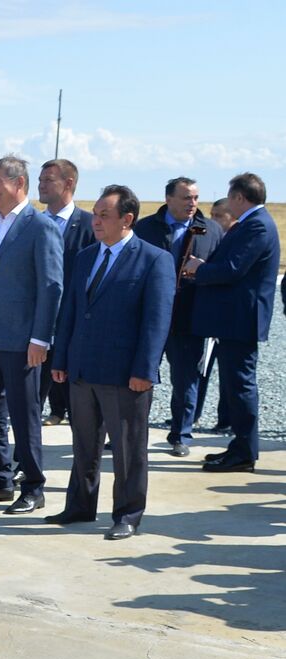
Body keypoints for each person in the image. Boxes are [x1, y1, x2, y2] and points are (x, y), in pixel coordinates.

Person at [47, 185, 174, 539]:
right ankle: (80, 505)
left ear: (127, 219)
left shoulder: (153, 259)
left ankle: (128, 514)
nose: (96, 221)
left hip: (125, 374)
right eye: (95, 214)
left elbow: (156, 321)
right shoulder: (86, 256)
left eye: (104, 215)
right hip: (82, 370)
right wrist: (62, 358)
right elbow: (71, 311)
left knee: (127, 449)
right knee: (83, 445)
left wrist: (144, 370)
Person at [0, 156, 64, 514]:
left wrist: (41, 339)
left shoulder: (41, 227)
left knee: (24, 414)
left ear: (19, 184)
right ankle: (0, 479)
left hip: (22, 341)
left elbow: (51, 286)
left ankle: (33, 486)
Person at [185, 172, 281, 473]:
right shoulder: (251, 224)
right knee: (235, 385)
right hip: (234, 320)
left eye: (230, 197)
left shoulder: (257, 225)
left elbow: (233, 269)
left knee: (240, 386)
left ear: (240, 197)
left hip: (240, 320)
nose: (227, 203)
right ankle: (240, 447)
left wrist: (199, 269)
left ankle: (244, 453)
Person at [132, 177, 224, 456]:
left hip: (189, 317)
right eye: (186, 198)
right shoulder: (145, 228)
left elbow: (220, 272)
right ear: (168, 198)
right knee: (138, 375)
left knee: (186, 379)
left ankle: (181, 435)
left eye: (195, 197)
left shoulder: (211, 230)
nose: (192, 203)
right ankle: (130, 432)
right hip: (148, 316)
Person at [36, 158, 96, 426]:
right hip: (38, 320)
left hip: (74, 319)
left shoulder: (90, 224)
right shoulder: (32, 223)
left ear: (68, 183)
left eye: (48, 180)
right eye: (40, 180)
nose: (41, 185)